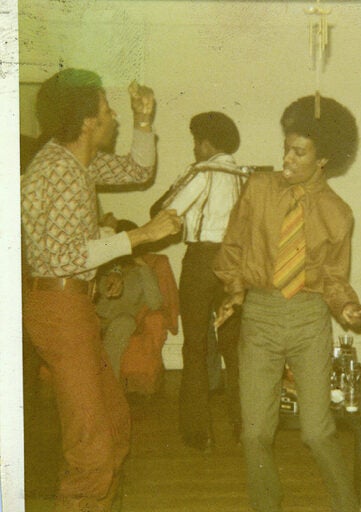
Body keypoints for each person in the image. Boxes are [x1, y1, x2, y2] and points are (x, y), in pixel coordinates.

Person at [21, 68, 181, 512]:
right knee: (91, 442)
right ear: (88, 121)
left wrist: (143, 119)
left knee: (113, 421)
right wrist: (142, 235)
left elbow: (138, 170)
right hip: (58, 307)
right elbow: (67, 257)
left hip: (71, 303)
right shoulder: (62, 170)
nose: (113, 118)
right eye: (108, 111)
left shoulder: (76, 161)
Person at [213, 95, 361, 512]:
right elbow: (232, 246)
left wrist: (348, 308)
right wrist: (234, 290)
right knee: (254, 433)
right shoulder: (259, 189)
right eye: (286, 146)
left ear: (323, 159)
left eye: (299, 151)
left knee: (317, 432)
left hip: (308, 319)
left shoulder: (338, 213)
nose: (287, 157)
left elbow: (334, 279)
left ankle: (346, 505)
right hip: (260, 317)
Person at [151, 111, 244, 451]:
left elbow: (164, 214)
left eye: (195, 142)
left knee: (195, 346)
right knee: (236, 348)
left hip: (202, 261)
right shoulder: (245, 176)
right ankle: (243, 425)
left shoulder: (202, 172)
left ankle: (198, 432)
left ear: (205, 143)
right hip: (236, 263)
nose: (194, 148)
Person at [95, 220, 164, 381]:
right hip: (96, 319)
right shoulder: (103, 267)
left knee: (124, 322)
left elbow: (156, 303)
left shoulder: (142, 272)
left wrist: (143, 266)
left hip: (121, 322)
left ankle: (108, 384)